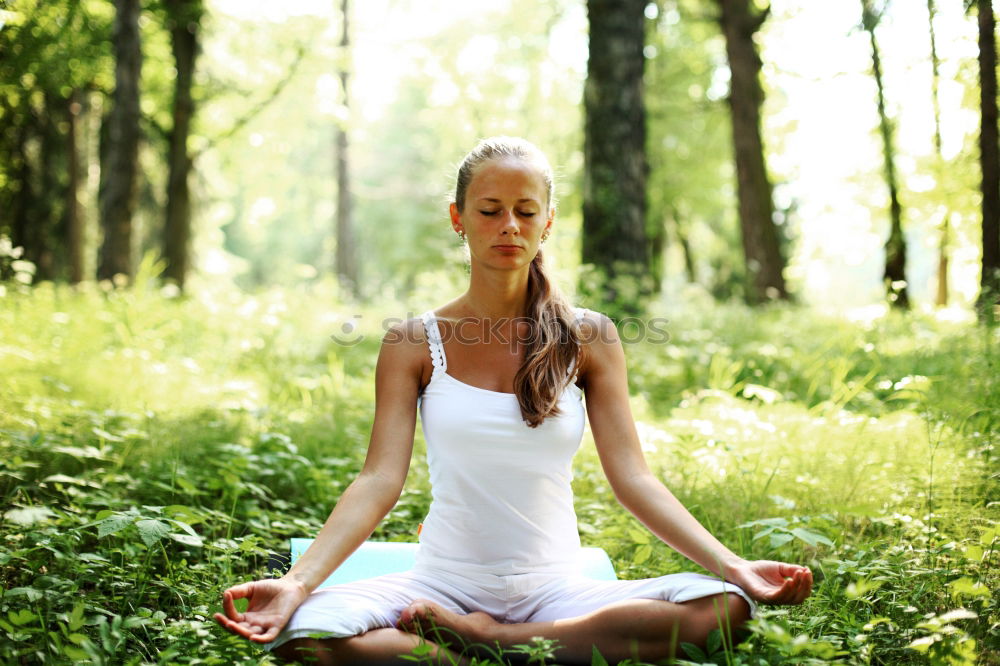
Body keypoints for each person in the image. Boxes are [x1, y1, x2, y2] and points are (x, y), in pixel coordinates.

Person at [214, 136, 813, 665]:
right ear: (458, 217)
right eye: (490, 210)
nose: (509, 226)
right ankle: (519, 644)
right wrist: (297, 584)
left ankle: (485, 642)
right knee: (303, 632)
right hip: (442, 581)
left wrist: (732, 565)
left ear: (547, 221)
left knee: (724, 608)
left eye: (526, 212)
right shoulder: (411, 342)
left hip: (558, 586)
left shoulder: (591, 337)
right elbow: (377, 479)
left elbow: (633, 476)